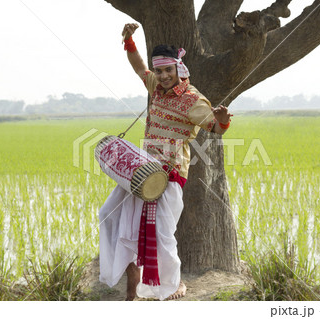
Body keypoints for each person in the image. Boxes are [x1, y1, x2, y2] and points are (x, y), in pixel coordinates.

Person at [98, 23, 233, 301]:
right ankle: (131, 289)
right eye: (158, 71)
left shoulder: (193, 100)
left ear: (178, 69)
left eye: (167, 70)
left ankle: (173, 285)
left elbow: (215, 130)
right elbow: (138, 68)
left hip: (169, 176)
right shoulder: (155, 88)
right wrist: (129, 41)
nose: (161, 76)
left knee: (162, 234)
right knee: (110, 216)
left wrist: (223, 119)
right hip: (141, 172)